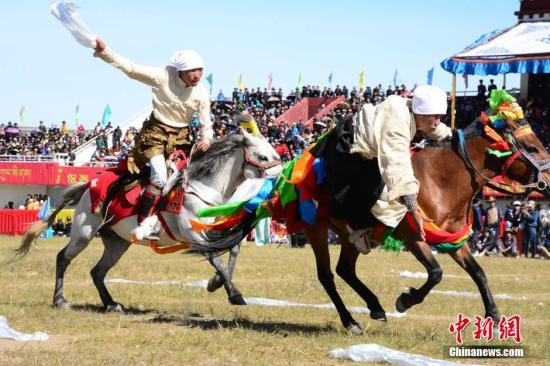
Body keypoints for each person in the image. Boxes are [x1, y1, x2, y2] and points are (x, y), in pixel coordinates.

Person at [93, 38, 214, 240]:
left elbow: (206, 123)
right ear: (180, 71)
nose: (198, 75)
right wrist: (105, 52)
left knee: (187, 179)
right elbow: (131, 69)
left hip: (181, 140)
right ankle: (143, 223)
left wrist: (207, 139)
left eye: (200, 70)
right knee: (159, 176)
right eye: (193, 71)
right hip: (155, 136)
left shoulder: (202, 92)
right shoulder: (162, 76)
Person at [314, 85, 452, 253]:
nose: (438, 122)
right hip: (347, 148)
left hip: (371, 153)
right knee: (361, 196)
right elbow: (398, 165)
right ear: (421, 113)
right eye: (435, 117)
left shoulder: (417, 114)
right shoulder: (397, 123)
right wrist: (413, 208)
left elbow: (436, 130)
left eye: (440, 117)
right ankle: (354, 229)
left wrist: (454, 135)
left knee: (387, 193)